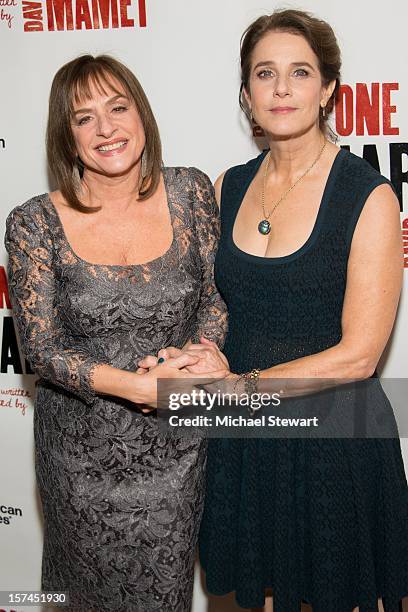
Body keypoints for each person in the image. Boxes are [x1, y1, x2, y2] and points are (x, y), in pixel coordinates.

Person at [142, 8, 408, 612]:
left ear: (328, 90)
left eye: (300, 73)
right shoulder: (226, 186)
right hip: (246, 440)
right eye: (265, 73)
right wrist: (203, 355)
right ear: (246, 92)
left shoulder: (366, 195)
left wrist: (242, 386)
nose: (282, 88)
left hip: (333, 438)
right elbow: (213, 307)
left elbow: (360, 355)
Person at [4, 54, 228, 611]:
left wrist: (202, 354)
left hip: (176, 453)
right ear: (67, 135)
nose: (106, 129)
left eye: (118, 107)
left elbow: (212, 300)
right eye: (84, 117)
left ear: (141, 115)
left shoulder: (192, 192)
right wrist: (138, 387)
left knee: (164, 594)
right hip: (80, 460)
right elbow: (43, 350)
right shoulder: (33, 223)